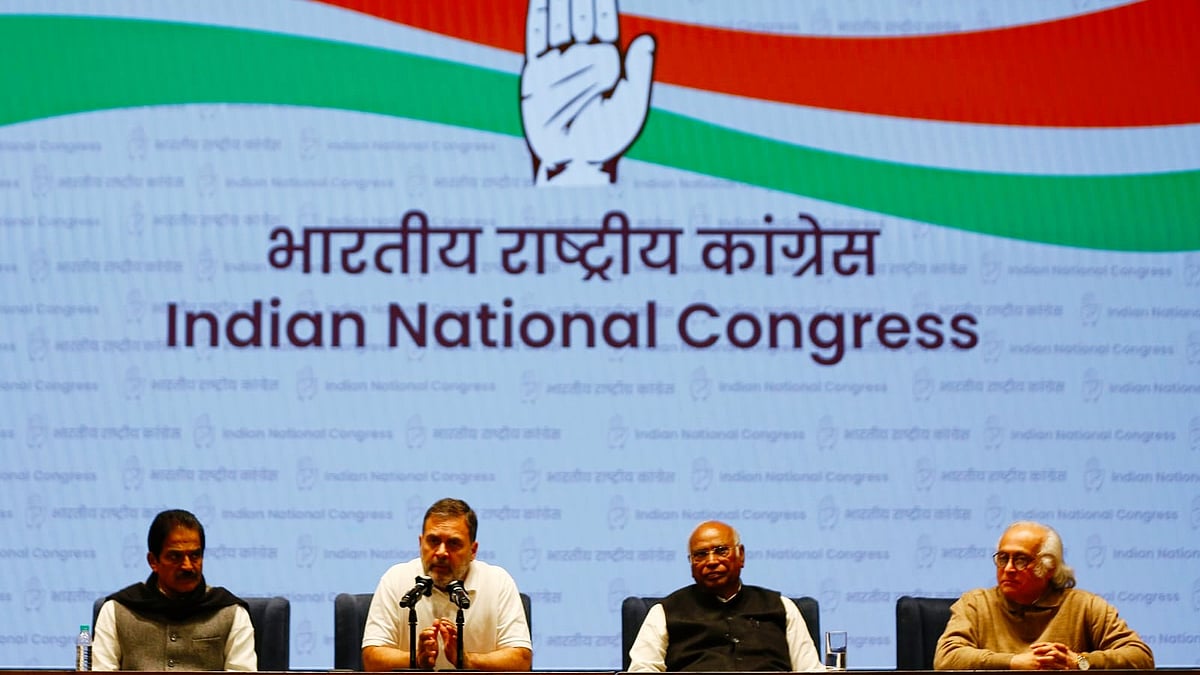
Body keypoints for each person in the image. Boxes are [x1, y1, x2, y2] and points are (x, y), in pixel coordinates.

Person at [935, 521, 1154, 670]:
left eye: (1021, 560)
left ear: (1048, 567)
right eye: (1003, 558)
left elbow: (1141, 657)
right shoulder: (975, 604)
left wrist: (1078, 661)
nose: (1008, 568)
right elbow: (946, 659)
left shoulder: (1085, 606)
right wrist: (1014, 663)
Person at [627, 520, 823, 672]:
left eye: (721, 551)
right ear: (691, 565)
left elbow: (809, 671)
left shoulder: (781, 607)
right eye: (700, 554)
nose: (711, 561)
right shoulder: (664, 613)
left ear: (741, 555)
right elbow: (642, 671)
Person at [361, 497, 532, 671]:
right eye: (433, 541)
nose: (441, 552)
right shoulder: (395, 579)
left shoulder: (498, 582)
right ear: (421, 543)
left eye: (453, 543)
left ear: (473, 551)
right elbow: (372, 658)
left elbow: (521, 659)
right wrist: (415, 658)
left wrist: (468, 661)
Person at [92, 509, 256, 671]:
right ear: (153, 561)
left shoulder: (230, 612)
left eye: (194, 556)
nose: (187, 566)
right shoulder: (117, 610)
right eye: (175, 557)